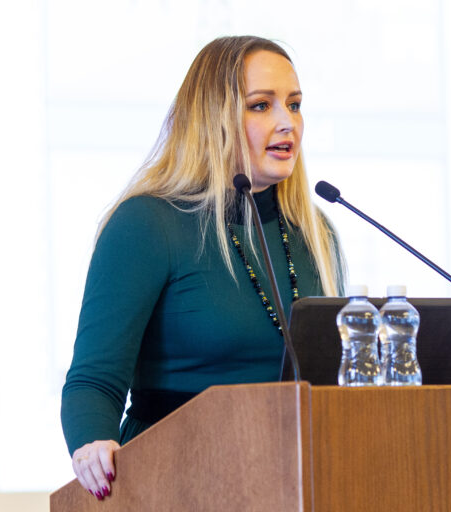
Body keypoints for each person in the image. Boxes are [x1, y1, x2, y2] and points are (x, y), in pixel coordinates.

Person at [60, 35, 345, 501]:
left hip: (293, 481)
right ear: (213, 117)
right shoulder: (148, 223)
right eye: (261, 105)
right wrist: (93, 447)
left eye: (294, 105)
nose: (286, 122)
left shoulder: (314, 232)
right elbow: (93, 381)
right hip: (174, 482)